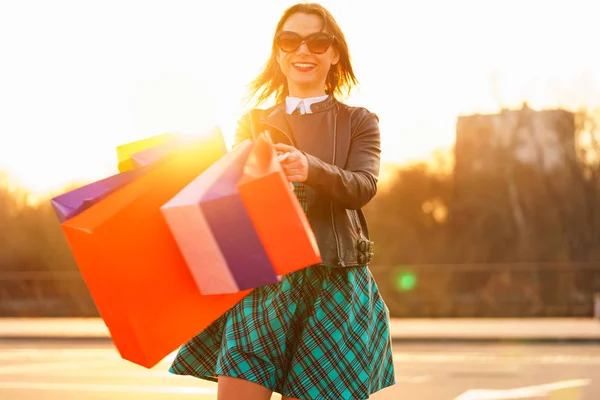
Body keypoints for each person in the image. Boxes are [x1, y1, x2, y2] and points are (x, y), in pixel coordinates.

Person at [169, 3, 396, 399]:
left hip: (333, 283)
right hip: (262, 281)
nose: (303, 51)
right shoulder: (252, 123)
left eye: (317, 41)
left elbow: (362, 186)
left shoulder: (360, 120)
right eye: (290, 41)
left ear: (334, 53)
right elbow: (229, 195)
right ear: (278, 52)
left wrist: (310, 168)